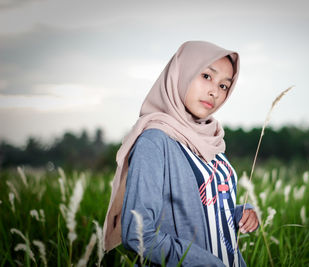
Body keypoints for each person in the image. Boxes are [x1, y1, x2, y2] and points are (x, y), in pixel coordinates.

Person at [103, 40, 259, 267]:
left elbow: (200, 211)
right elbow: (138, 234)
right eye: (206, 76)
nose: (214, 91)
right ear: (181, 73)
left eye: (224, 86)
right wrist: (207, 263)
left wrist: (240, 214)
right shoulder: (154, 142)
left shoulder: (210, 140)